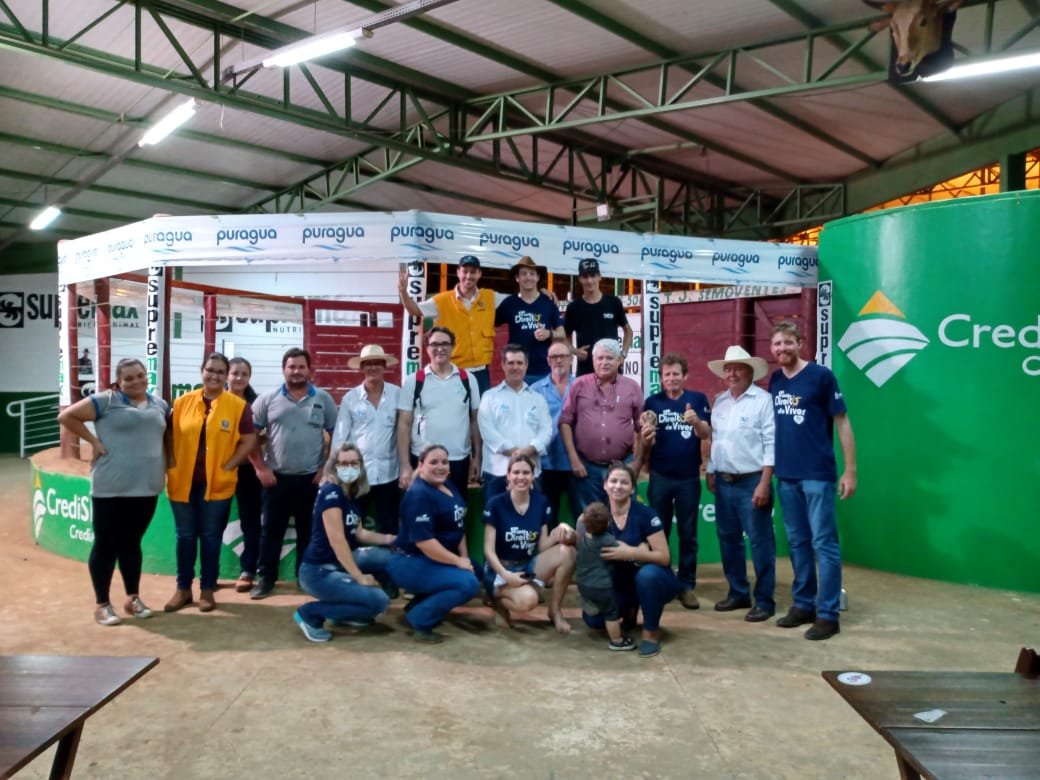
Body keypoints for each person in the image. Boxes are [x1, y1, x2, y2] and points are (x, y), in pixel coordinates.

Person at [57, 358, 168, 626]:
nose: (136, 381)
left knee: (132, 543)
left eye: (140, 375)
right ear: (119, 382)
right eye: (128, 378)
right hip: (111, 487)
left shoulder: (160, 404)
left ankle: (133, 599)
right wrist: (93, 442)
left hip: (146, 486)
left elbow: (165, 439)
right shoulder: (105, 400)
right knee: (106, 545)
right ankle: (102, 604)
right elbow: (66, 416)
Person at [769, 321, 857, 641]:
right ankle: (804, 604)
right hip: (786, 475)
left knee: (824, 544)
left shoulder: (821, 376)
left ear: (800, 343)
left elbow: (842, 422)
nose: (782, 348)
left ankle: (828, 614)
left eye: (787, 342)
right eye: (777, 344)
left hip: (817, 475)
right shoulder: (775, 380)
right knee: (798, 543)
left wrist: (850, 470)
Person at [164, 353, 256, 613]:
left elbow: (249, 439)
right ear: (201, 371)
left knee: (211, 537)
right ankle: (183, 588)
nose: (214, 376)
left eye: (220, 372)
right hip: (182, 482)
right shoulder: (182, 402)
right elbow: (169, 433)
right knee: (184, 536)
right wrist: (171, 461)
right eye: (210, 370)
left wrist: (231, 464)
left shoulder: (237, 406)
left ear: (226, 376)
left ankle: (207, 588)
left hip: (218, 484)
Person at [249, 347, 338, 600]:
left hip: (312, 479)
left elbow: (337, 435)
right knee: (270, 532)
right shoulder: (267, 399)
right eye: (292, 367)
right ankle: (266, 579)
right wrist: (261, 468)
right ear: (284, 370)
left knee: (308, 532)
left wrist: (325, 468)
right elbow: (248, 437)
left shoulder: (323, 399)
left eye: (301, 367)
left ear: (309, 370)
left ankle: (305, 578)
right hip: (275, 479)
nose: (296, 371)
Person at [293, 443, 393, 642]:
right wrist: (359, 577)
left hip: (337, 565)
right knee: (378, 601)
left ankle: (345, 613)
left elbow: (359, 533)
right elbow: (337, 540)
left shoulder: (350, 494)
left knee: (389, 558)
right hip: (318, 571)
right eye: (344, 464)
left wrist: (392, 539)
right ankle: (310, 614)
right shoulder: (331, 492)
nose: (349, 468)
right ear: (335, 466)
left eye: (354, 463)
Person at [705, 346, 776, 623]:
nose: (731, 374)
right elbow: (716, 440)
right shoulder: (720, 401)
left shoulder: (763, 401)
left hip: (752, 480)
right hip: (724, 482)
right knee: (728, 540)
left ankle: (765, 600)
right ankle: (738, 592)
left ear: (750, 372)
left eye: (737, 368)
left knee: (760, 542)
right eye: (728, 369)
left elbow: (771, 443)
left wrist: (765, 482)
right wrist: (711, 470)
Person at [582, 462, 682, 658]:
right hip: (618, 584)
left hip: (654, 580)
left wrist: (632, 553)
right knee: (593, 620)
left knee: (648, 576)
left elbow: (664, 557)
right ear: (605, 485)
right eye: (613, 481)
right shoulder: (596, 515)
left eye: (624, 482)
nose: (618, 486)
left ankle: (651, 632)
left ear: (632, 488)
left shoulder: (646, 515)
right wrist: (565, 531)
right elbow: (582, 536)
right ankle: (629, 609)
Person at [387, 444, 481, 643]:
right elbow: (425, 543)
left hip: (432, 559)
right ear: (421, 465)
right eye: (434, 462)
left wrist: (465, 558)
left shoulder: (448, 485)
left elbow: (458, 526)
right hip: (410, 561)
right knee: (468, 583)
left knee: (476, 570)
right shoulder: (419, 495)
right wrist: (458, 561)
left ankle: (417, 606)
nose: (440, 467)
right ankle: (420, 619)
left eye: (445, 462)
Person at [639, 353, 712, 610]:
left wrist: (697, 422)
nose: (671, 378)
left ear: (685, 376)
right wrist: (646, 435)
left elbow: (706, 434)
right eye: (667, 374)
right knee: (658, 532)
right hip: (660, 477)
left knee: (688, 533)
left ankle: (686, 585)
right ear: (661, 378)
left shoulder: (697, 399)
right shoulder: (652, 402)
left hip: (688, 478)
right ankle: (662, 580)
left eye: (676, 374)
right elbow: (645, 439)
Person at [482, 453, 576, 634]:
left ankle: (555, 611)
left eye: (526, 473)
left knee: (568, 552)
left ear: (533, 476)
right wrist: (505, 575)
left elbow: (543, 545)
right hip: (499, 570)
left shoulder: (541, 502)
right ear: (508, 476)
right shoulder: (495, 504)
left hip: (526, 566)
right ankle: (497, 601)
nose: (521, 477)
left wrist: (561, 530)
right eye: (516, 472)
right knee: (529, 600)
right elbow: (488, 550)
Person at [398, 255, 505, 395]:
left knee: (480, 409)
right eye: (465, 271)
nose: (468, 276)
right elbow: (414, 310)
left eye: (473, 272)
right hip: (453, 371)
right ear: (458, 272)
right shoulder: (441, 301)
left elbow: (517, 300)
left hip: (481, 372)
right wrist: (403, 292)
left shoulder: (490, 297)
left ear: (479, 274)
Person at [559, 339, 643, 509]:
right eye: (600, 358)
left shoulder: (632, 387)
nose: (604, 362)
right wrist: (574, 459)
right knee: (590, 518)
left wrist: (637, 463)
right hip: (587, 468)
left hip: (623, 467)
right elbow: (565, 422)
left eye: (610, 358)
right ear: (593, 360)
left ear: (619, 360)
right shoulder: (579, 385)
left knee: (624, 516)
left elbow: (641, 428)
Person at [397, 326, 481, 495]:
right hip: (422, 461)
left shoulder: (468, 379)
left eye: (445, 344)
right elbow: (404, 424)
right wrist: (405, 464)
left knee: (456, 509)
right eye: (434, 344)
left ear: (453, 347)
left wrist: (477, 457)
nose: (440, 349)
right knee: (422, 509)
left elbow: (474, 421)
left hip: (458, 460)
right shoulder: (414, 381)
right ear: (427, 348)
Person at [333, 344, 402, 536]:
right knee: (352, 528)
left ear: (384, 366)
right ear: (361, 368)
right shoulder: (350, 398)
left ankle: (391, 557)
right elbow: (340, 436)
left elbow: (404, 430)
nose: (373, 367)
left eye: (377, 363)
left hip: (389, 474)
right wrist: (335, 472)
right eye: (368, 364)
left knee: (390, 528)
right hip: (357, 475)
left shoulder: (397, 394)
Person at [476, 344, 552, 502]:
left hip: (530, 472)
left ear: (526, 365)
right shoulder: (489, 397)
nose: (515, 367)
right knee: (496, 516)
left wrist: (529, 450)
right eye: (511, 363)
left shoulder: (537, 399)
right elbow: (487, 431)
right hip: (497, 472)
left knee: (532, 515)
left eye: (519, 363)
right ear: (503, 365)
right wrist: (516, 453)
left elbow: (546, 431)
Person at [529, 337, 579, 529]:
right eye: (554, 357)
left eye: (563, 356)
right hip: (547, 463)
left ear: (571, 359)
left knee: (582, 515)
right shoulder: (535, 390)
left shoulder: (582, 386)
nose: (558, 360)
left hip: (577, 462)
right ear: (548, 360)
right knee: (548, 518)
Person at [494, 256, 566, 383]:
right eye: (524, 274)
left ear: (537, 277)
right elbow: (490, 322)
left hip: (543, 370)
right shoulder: (509, 303)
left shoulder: (548, 303)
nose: (528, 277)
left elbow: (562, 333)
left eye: (532, 274)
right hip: (516, 369)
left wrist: (548, 333)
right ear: (517, 278)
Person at [574, 501, 634, 651]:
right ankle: (617, 640)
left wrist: (587, 515)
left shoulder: (581, 536)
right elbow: (624, 553)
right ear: (608, 523)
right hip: (601, 586)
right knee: (611, 613)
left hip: (582, 583)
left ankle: (590, 604)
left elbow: (581, 520)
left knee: (596, 602)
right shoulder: (607, 540)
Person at [227, 357, 263, 593]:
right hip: (219, 471)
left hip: (249, 472)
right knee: (213, 523)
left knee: (251, 523)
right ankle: (207, 575)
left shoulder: (257, 404)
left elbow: (261, 438)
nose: (239, 378)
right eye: (235, 373)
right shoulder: (214, 402)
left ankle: (248, 570)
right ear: (227, 375)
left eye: (244, 374)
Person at [563, 257, 632, 376]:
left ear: (599, 277)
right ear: (580, 279)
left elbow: (628, 332)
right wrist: (574, 351)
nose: (589, 281)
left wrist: (623, 354)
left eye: (593, 276)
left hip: (612, 371)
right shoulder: (574, 307)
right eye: (585, 276)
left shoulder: (613, 302)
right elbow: (564, 336)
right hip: (586, 371)